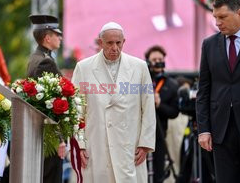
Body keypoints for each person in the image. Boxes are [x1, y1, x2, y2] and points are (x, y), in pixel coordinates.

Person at [71, 22, 156, 183]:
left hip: (129, 145)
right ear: (100, 43)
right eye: (110, 43)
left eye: (118, 43)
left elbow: (148, 108)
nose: (114, 48)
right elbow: (76, 110)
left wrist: (145, 144)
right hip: (96, 144)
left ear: (124, 42)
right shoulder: (84, 68)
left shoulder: (140, 67)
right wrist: (79, 143)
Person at [196, 0, 240, 182]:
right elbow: (203, 90)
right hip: (220, 131)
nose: (217, 22)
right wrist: (204, 130)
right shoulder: (209, 45)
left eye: (222, 17)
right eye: (215, 17)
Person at [27, 14, 66, 183]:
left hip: (40, 135)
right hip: (48, 138)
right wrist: (59, 139)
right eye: (57, 34)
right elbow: (48, 105)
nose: (60, 37)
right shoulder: (45, 62)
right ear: (47, 37)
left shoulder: (36, 58)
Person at [145, 45, 179, 183]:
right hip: (139, 135)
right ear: (147, 61)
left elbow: (174, 113)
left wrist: (159, 105)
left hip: (160, 136)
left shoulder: (171, 84)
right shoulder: (140, 81)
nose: (158, 61)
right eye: (154, 59)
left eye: (160, 59)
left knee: (158, 174)